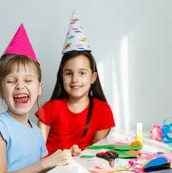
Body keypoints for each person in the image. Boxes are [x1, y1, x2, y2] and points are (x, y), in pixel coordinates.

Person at [0, 24, 73, 173]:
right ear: (0, 90)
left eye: (28, 80)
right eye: (11, 81)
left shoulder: (36, 132)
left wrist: (65, 159)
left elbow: (42, 171)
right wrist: (44, 163)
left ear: (39, 88)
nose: (20, 86)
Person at [35, 11, 115, 156]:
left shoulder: (103, 111)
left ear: (93, 77)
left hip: (84, 172)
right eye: (68, 73)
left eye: (82, 73)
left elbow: (98, 153)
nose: (75, 79)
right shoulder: (49, 110)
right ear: (61, 77)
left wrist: (80, 157)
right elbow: (37, 154)